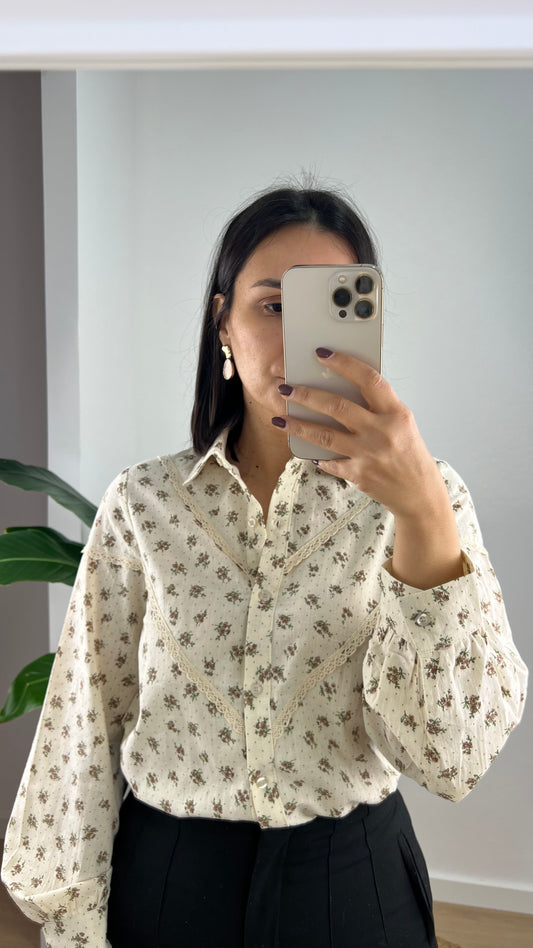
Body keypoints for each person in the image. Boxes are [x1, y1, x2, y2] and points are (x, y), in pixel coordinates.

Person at [1, 182, 528, 948]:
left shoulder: (428, 498)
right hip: (169, 884)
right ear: (223, 320)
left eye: (330, 308)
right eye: (272, 305)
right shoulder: (143, 503)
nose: (299, 342)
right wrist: (73, 918)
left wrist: (420, 514)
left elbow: (449, 759)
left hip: (352, 888)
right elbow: (86, 715)